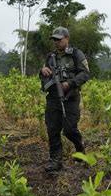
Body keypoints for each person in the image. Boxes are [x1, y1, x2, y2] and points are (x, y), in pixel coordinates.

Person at [39, 27, 90, 172]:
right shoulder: (51, 56)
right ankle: (55, 160)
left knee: (69, 129)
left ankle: (79, 148)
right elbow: (44, 75)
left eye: (59, 39)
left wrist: (70, 84)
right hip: (53, 97)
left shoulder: (76, 54)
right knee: (52, 129)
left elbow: (85, 74)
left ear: (67, 38)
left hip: (70, 97)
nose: (56, 42)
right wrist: (43, 71)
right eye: (54, 39)